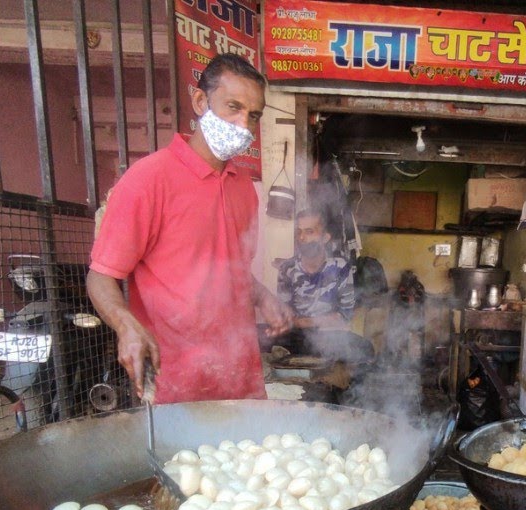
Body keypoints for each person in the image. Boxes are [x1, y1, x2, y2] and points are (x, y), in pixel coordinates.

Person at [86, 53, 292, 403]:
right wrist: (125, 325)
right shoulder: (150, 179)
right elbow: (100, 275)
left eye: (253, 115)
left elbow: (233, 270)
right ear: (200, 101)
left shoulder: (244, 187)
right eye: (233, 107)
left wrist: (263, 297)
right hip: (176, 381)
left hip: (239, 375)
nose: (243, 125)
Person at [267, 207, 374, 364]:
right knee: (258, 339)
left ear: (325, 237)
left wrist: (304, 322)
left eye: (309, 231)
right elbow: (284, 314)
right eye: (299, 232)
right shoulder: (287, 268)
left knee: (365, 348)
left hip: (330, 336)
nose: (302, 237)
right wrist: (294, 322)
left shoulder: (340, 266)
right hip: (296, 336)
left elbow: (344, 316)